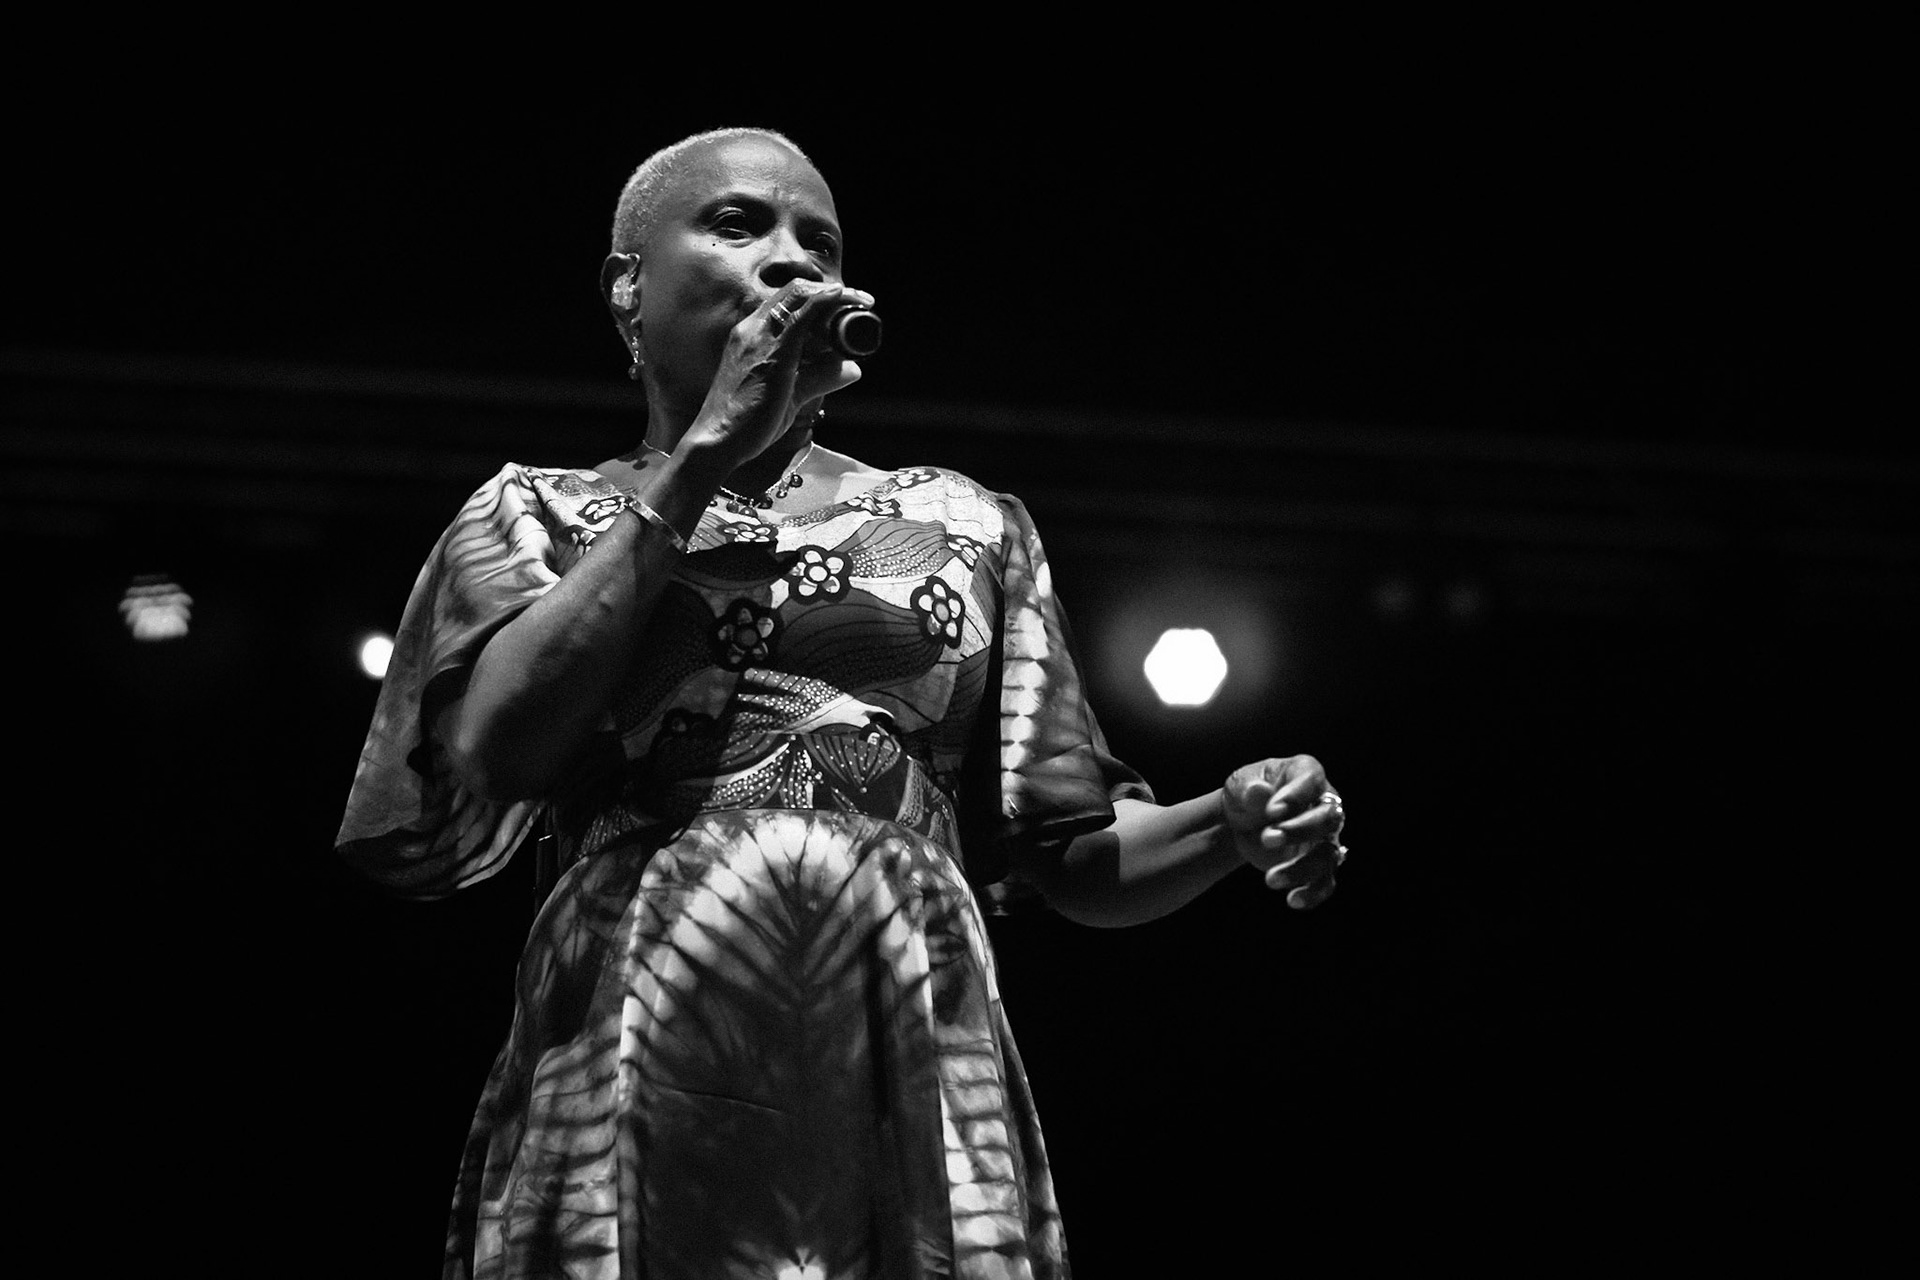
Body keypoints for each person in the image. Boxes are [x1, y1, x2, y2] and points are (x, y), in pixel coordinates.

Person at [337, 126, 1349, 1280]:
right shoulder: (538, 514)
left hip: (902, 1041)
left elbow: (1068, 849)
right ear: (627, 286)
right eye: (737, 225)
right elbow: (496, 749)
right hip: (636, 1041)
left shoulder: (966, 525)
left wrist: (1228, 817)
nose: (791, 261)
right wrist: (709, 450)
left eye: (818, 242)